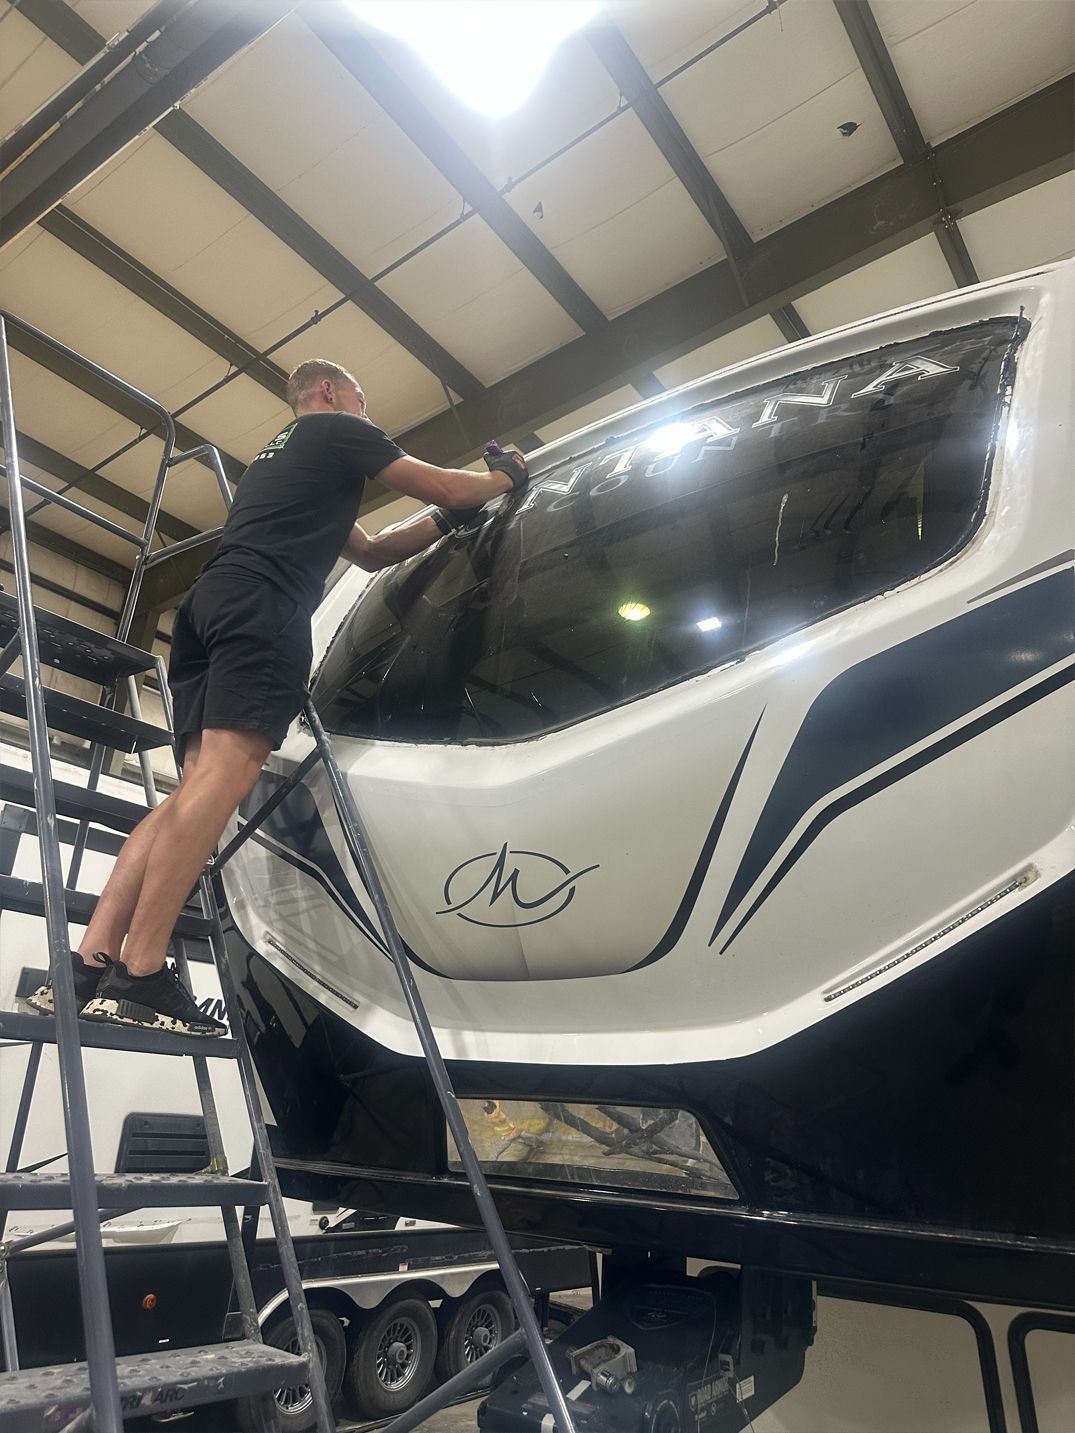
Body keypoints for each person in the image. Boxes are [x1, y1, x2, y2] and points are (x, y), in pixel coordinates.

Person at [30, 359, 528, 1035]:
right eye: (361, 393)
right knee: (221, 783)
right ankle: (142, 971)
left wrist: (446, 523)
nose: (365, 406)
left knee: (189, 794)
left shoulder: (277, 459)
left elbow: (376, 551)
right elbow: (444, 484)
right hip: (262, 611)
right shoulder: (337, 428)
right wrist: (504, 476)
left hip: (208, 608)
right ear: (329, 392)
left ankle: (89, 964)